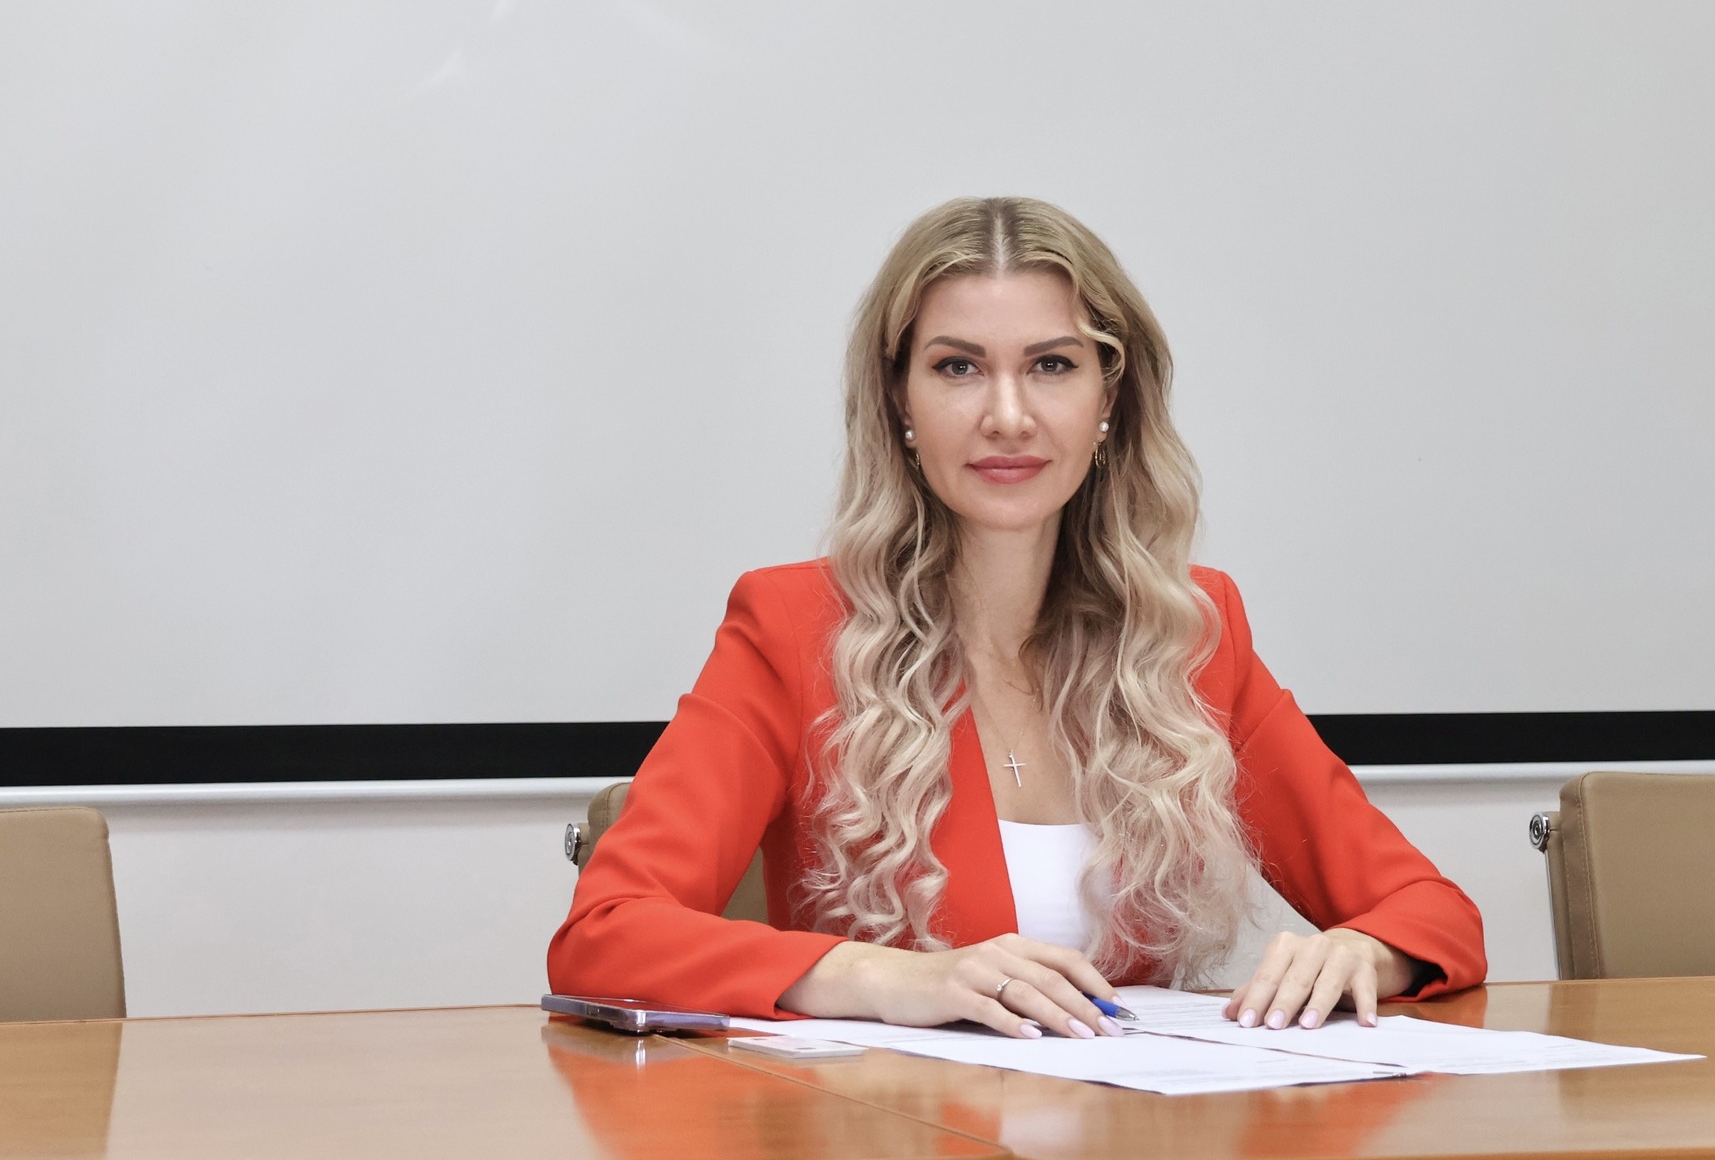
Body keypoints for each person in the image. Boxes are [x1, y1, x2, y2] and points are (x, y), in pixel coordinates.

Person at [548, 197, 1485, 1040]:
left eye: (1052, 365)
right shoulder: (792, 626)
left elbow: (1432, 912)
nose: (1007, 415)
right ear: (900, 401)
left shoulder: (1190, 633)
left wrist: (1367, 952)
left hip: (1136, 1152)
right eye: (958, 367)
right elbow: (605, 936)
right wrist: (884, 977)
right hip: (893, 1148)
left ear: (1109, 399)